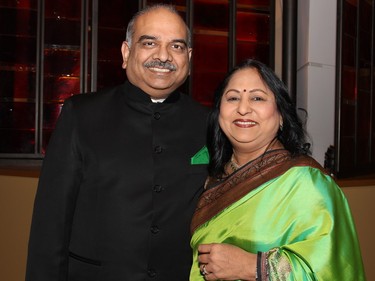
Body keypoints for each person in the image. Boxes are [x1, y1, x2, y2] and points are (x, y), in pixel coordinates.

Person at [26, 4, 209, 281]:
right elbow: (51, 224)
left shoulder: (209, 123)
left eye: (176, 46)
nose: (163, 56)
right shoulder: (81, 114)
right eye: (149, 43)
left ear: (189, 57)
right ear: (126, 52)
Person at [189, 59, 365, 280]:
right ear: (219, 113)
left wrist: (253, 267)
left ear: (281, 115)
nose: (243, 108)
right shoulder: (212, 180)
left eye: (257, 98)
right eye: (233, 98)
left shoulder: (306, 181)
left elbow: (334, 269)